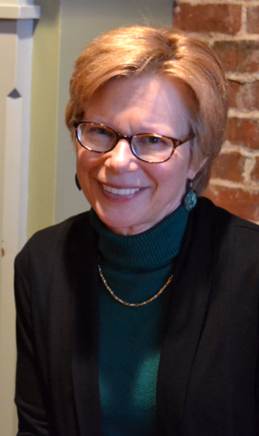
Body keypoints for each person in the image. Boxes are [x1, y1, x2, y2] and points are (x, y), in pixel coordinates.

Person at [14, 26, 259, 435]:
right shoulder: (43, 263)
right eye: (100, 132)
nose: (118, 162)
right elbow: (37, 427)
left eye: (151, 140)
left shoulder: (249, 272)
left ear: (196, 157)